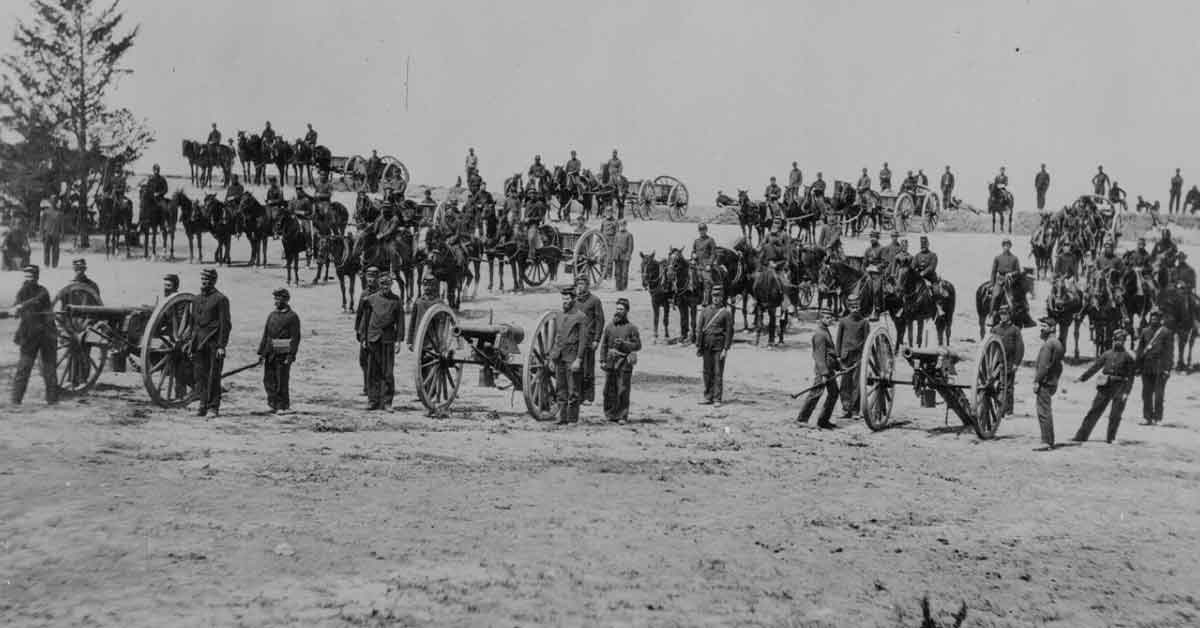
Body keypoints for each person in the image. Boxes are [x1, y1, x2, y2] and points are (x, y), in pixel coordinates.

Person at [1073, 331, 1136, 443]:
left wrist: (1126, 392)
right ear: (1113, 340)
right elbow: (1095, 367)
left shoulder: (1128, 357)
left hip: (1120, 387)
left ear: (1124, 342)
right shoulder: (1107, 354)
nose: (1119, 342)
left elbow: (1131, 377)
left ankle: (1111, 438)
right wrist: (1082, 378)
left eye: (1121, 340)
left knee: (1115, 414)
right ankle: (1081, 436)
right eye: (1117, 340)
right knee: (1094, 411)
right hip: (1105, 386)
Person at [8, 265, 57, 405]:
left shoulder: (43, 291)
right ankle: (16, 401)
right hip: (29, 335)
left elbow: (36, 300)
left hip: (46, 334)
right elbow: (16, 304)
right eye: (26, 276)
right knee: (23, 367)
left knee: (49, 368)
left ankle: (52, 400)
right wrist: (14, 309)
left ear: (37, 277)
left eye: (31, 277)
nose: (28, 279)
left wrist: (20, 306)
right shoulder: (22, 291)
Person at [187, 268, 231, 417]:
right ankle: (202, 404)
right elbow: (193, 323)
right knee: (200, 376)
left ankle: (213, 407)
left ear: (214, 281)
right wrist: (191, 342)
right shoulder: (196, 299)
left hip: (213, 343)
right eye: (203, 279)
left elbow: (225, 325)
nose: (204, 282)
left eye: (207, 279)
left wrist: (221, 346)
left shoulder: (221, 299)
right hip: (199, 343)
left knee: (213, 375)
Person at [358, 273, 404, 411]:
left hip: (388, 339)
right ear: (379, 284)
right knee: (372, 371)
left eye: (387, 284)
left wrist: (398, 341)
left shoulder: (396, 300)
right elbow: (365, 320)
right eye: (382, 284)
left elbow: (400, 322)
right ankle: (373, 401)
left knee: (388, 372)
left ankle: (387, 402)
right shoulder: (371, 299)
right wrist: (364, 338)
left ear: (391, 285)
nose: (385, 287)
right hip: (373, 338)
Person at [257, 287, 300, 413]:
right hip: (270, 352)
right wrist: (262, 353)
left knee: (281, 380)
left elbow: (295, 337)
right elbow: (266, 334)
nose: (276, 301)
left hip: (283, 353)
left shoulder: (292, 317)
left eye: (279, 298)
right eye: (275, 298)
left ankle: (282, 405)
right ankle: (272, 403)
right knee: (268, 379)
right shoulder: (272, 315)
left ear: (286, 300)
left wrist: (291, 355)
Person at [549, 287, 587, 424]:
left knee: (573, 390)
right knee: (561, 389)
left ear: (573, 299)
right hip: (560, 357)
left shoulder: (580, 317)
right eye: (563, 299)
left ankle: (572, 419)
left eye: (567, 299)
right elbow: (556, 337)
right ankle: (562, 417)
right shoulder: (559, 315)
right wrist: (552, 358)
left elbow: (583, 340)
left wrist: (579, 359)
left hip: (572, 357)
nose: (565, 301)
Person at [600, 297, 642, 423]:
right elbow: (604, 345)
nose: (618, 311)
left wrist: (624, 344)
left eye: (621, 309)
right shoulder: (609, 327)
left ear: (627, 311)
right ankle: (610, 414)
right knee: (609, 389)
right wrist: (602, 360)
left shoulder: (632, 328)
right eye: (617, 309)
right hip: (611, 360)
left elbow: (638, 345)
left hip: (624, 362)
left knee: (623, 389)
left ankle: (622, 415)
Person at [798, 309, 840, 428]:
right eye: (827, 317)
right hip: (823, 369)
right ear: (821, 319)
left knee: (834, 393)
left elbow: (830, 352)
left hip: (829, 368)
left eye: (831, 317)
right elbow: (819, 356)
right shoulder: (819, 334)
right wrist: (824, 373)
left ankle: (823, 421)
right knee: (816, 392)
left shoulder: (824, 330)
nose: (830, 320)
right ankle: (802, 419)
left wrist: (837, 366)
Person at [697, 286, 733, 406]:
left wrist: (725, 349)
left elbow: (729, 332)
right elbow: (700, 329)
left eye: (718, 296)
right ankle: (708, 396)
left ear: (722, 298)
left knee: (718, 373)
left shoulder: (726, 313)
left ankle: (717, 398)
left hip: (719, 346)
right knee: (707, 372)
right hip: (706, 345)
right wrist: (699, 346)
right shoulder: (705, 311)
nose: (716, 298)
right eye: (714, 296)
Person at [1032, 316, 1064, 450]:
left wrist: (1037, 381)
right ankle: (1049, 440)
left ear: (1052, 328)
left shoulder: (1048, 345)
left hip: (1044, 382)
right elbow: (1059, 366)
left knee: (1043, 412)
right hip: (1052, 381)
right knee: (1046, 410)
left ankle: (1047, 441)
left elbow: (1043, 366)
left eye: (1044, 326)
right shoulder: (1058, 344)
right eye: (1041, 326)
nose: (1041, 329)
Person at [1137, 310, 1172, 425]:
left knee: (1159, 395)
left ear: (1160, 320)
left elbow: (1169, 352)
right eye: (1152, 319)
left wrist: (1167, 369)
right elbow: (1140, 350)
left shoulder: (1166, 332)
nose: (1153, 321)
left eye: (1156, 319)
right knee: (1146, 394)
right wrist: (1138, 366)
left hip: (1160, 367)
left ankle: (1158, 418)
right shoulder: (1145, 331)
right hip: (1146, 367)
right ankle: (1147, 417)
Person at [836, 295, 869, 418]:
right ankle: (846, 409)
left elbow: (867, 341)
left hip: (858, 357)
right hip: (845, 357)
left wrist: (864, 358)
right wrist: (838, 356)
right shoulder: (843, 321)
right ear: (848, 307)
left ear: (860, 306)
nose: (855, 309)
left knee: (857, 384)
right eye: (852, 307)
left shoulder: (864, 322)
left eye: (856, 306)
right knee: (845, 383)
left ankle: (855, 410)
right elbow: (838, 339)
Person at [574, 276, 605, 405]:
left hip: (589, 339)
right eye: (578, 284)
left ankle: (588, 397)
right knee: (577, 369)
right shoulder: (575, 300)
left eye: (582, 283)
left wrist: (596, 339)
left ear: (587, 285)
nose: (580, 286)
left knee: (588, 370)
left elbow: (600, 321)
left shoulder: (594, 301)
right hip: (576, 339)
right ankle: (579, 395)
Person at [990, 305, 1024, 415]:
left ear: (1009, 315)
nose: (1003, 316)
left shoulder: (1015, 330)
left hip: (1009, 362)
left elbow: (1020, 348)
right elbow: (990, 346)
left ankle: (1008, 410)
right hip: (996, 362)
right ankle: (998, 408)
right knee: (996, 385)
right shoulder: (995, 329)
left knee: (1008, 387)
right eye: (1001, 314)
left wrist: (1016, 363)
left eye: (1005, 314)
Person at [355, 267, 380, 394]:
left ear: (378, 278)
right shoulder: (364, 293)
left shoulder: (381, 294)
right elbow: (359, 313)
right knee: (363, 360)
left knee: (375, 361)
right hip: (364, 331)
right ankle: (366, 386)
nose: (371, 279)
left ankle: (374, 387)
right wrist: (357, 330)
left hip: (376, 332)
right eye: (369, 276)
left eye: (373, 277)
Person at [407, 277, 442, 351]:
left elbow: (443, 324)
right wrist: (410, 341)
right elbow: (412, 323)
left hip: (433, 341)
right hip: (419, 340)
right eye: (425, 285)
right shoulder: (418, 302)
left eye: (430, 285)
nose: (427, 287)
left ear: (434, 286)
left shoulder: (439, 303)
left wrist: (441, 341)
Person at [989, 238, 1022, 313]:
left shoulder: (1014, 258)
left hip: (1011, 281)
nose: (1006, 247)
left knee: (1017, 296)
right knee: (995, 295)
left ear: (1010, 246)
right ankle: (992, 314)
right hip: (1000, 280)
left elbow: (1018, 271)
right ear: (1002, 246)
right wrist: (992, 284)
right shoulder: (998, 257)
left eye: (1008, 245)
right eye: (1005, 245)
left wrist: (1011, 274)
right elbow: (993, 272)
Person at [693, 223, 717, 304]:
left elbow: (713, 253)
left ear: (706, 230)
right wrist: (693, 255)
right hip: (697, 265)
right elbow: (693, 251)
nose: (702, 231)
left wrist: (709, 264)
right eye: (700, 230)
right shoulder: (696, 241)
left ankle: (706, 301)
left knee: (707, 281)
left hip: (706, 265)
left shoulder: (710, 240)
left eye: (703, 230)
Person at [39, 199, 63, 268]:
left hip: (56, 234)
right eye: (52, 202)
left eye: (55, 202)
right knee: (46, 250)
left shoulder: (59, 213)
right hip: (47, 233)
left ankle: (55, 265)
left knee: (56, 250)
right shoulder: (45, 213)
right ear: (50, 203)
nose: (53, 203)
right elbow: (41, 224)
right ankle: (46, 264)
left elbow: (61, 224)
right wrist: (41, 234)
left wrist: (62, 233)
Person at [611, 219, 634, 291]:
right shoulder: (617, 234)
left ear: (626, 226)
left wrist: (628, 255)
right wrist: (614, 255)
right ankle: (618, 287)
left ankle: (624, 287)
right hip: (617, 256)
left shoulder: (629, 235)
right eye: (621, 225)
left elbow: (630, 247)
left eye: (623, 225)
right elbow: (614, 245)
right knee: (617, 272)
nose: (622, 227)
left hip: (625, 256)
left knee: (624, 272)